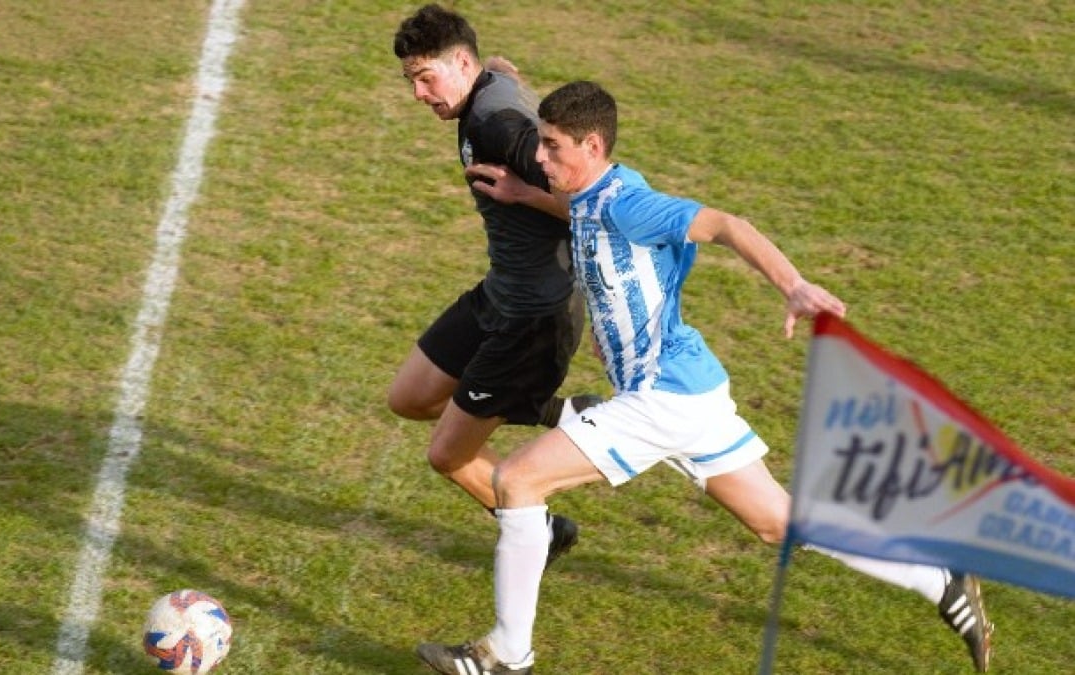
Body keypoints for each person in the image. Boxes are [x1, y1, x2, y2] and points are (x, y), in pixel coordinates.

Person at [416, 80, 993, 674]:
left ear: (591, 145)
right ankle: (939, 578)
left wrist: (794, 286)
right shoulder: (593, 194)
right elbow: (578, 214)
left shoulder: (630, 204)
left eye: (552, 146)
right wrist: (524, 195)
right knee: (777, 523)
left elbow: (724, 224)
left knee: (516, 480)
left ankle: (507, 653)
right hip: (692, 393)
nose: (538, 157)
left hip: (662, 397)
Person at [388, 4, 601, 566]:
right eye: (411, 81)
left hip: (535, 317)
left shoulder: (499, 125)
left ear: (461, 63)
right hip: (499, 294)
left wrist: (524, 194)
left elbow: (592, 205)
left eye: (426, 77)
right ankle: (556, 413)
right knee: (409, 398)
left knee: (448, 455)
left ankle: (542, 532)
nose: (419, 94)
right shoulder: (488, 87)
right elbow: (502, 69)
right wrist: (506, 74)